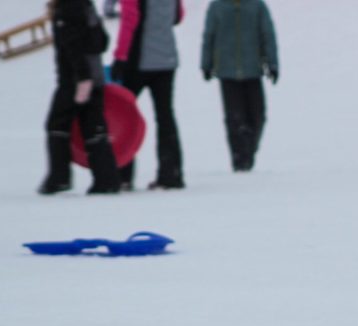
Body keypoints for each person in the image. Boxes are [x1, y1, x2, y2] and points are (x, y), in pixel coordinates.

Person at [38, 0, 121, 195]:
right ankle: (107, 178)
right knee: (93, 127)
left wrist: (82, 77)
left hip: (74, 78)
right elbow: (102, 41)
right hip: (95, 76)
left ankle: (59, 177)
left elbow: (72, 45)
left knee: (57, 124)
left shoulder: (67, 8)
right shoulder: (87, 6)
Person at [111, 0, 186, 190]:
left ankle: (123, 175)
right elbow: (178, 16)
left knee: (126, 117)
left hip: (138, 60)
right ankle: (171, 173)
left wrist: (120, 56)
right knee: (165, 116)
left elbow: (129, 19)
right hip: (166, 59)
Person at [200, 0, 279, 172]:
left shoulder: (257, 6)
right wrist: (206, 64)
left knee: (258, 116)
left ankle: (249, 150)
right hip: (227, 73)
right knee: (234, 119)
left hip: (253, 70)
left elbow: (267, 34)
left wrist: (272, 64)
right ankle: (240, 159)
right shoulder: (217, 6)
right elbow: (209, 35)